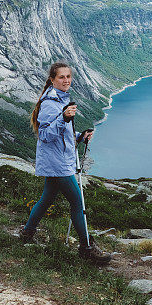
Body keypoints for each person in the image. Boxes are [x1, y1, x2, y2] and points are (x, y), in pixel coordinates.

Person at [19, 61, 112, 265]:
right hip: (57, 163)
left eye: (68, 77)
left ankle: (27, 233)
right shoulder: (50, 104)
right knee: (77, 203)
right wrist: (63, 117)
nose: (66, 80)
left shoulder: (61, 99)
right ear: (52, 79)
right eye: (61, 77)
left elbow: (64, 133)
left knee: (46, 200)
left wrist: (80, 136)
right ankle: (87, 247)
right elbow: (44, 135)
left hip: (59, 161)